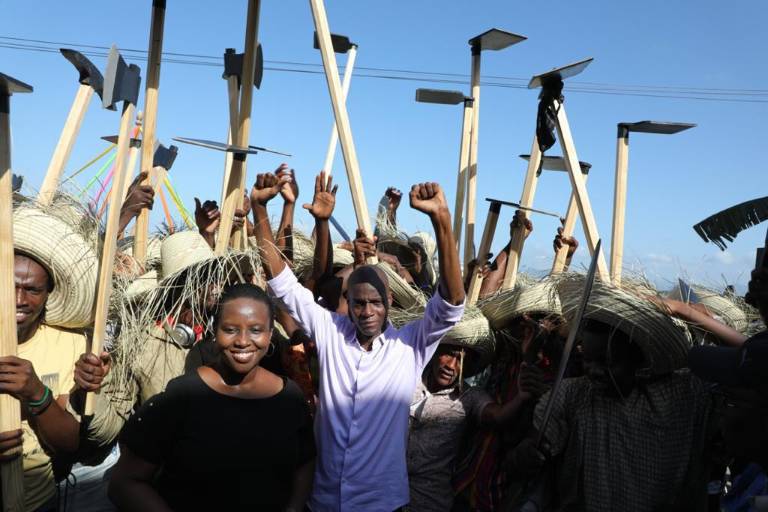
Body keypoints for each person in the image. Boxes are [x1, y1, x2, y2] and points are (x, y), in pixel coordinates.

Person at [251, 170, 465, 511]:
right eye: (359, 302)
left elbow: (452, 303)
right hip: (323, 501)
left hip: (382, 504)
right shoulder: (330, 331)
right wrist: (258, 209)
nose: (367, 311)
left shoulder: (409, 347)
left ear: (390, 302)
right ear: (347, 303)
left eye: (376, 302)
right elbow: (282, 283)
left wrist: (442, 220)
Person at [510, 277, 714, 512]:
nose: (594, 371)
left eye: (608, 362)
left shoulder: (677, 395)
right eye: (588, 359)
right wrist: (525, 455)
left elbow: (744, 362)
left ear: (637, 359)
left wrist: (686, 311)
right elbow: (526, 453)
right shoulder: (571, 394)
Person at [108, 283, 315, 512]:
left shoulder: (289, 398)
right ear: (215, 332)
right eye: (230, 329)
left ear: (270, 334)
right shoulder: (181, 396)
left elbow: (305, 462)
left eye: (256, 330)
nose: (243, 341)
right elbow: (125, 482)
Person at [0, 198, 108, 512]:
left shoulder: (69, 344)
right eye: (10, 285)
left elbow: (68, 444)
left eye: (32, 290)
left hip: (36, 501)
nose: (19, 299)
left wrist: (36, 393)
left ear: (48, 294)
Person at [406, 334, 547, 512]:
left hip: (429, 501)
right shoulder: (409, 378)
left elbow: (497, 416)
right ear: (435, 352)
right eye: (448, 354)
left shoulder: (470, 397)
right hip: (384, 491)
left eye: (460, 360)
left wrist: (520, 397)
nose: (451, 366)